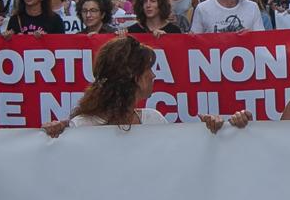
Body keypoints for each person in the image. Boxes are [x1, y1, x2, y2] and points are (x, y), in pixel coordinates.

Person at [40, 37, 250, 135]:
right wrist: (52, 137)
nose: (154, 74)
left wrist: (211, 132)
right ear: (133, 76)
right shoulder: (82, 127)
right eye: (149, 69)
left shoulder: (153, 119)